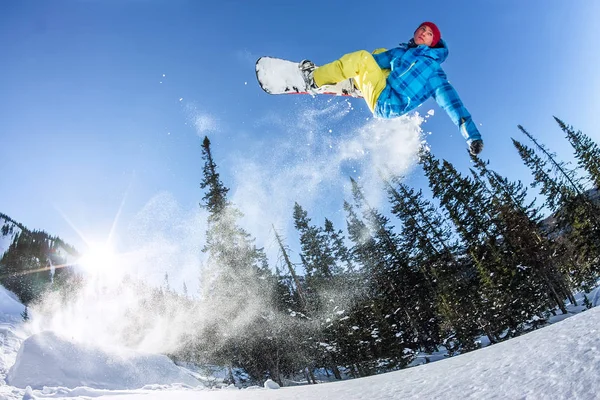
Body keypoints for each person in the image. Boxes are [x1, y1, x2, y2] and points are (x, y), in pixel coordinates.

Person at [300, 22, 484, 156]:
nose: (423, 32)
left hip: (388, 104)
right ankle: (358, 84)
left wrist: (472, 136)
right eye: (422, 29)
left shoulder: (434, 71)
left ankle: (313, 81)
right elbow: (375, 63)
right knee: (379, 53)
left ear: (432, 42)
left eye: (429, 33)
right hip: (384, 87)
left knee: (363, 58)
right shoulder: (401, 52)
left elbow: (453, 104)